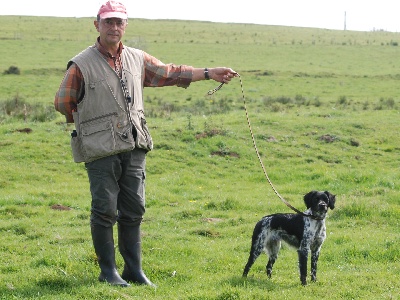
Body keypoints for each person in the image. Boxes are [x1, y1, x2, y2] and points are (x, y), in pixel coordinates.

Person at [54, 0, 237, 288]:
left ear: (125, 26)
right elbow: (63, 102)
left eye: (119, 22)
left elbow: (169, 72)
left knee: (135, 209)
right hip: (100, 150)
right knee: (104, 209)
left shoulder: (137, 59)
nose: (114, 27)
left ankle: (133, 271)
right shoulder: (81, 64)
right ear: (96, 25)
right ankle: (108, 272)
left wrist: (208, 72)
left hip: (135, 144)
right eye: (108, 22)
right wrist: (93, 126)